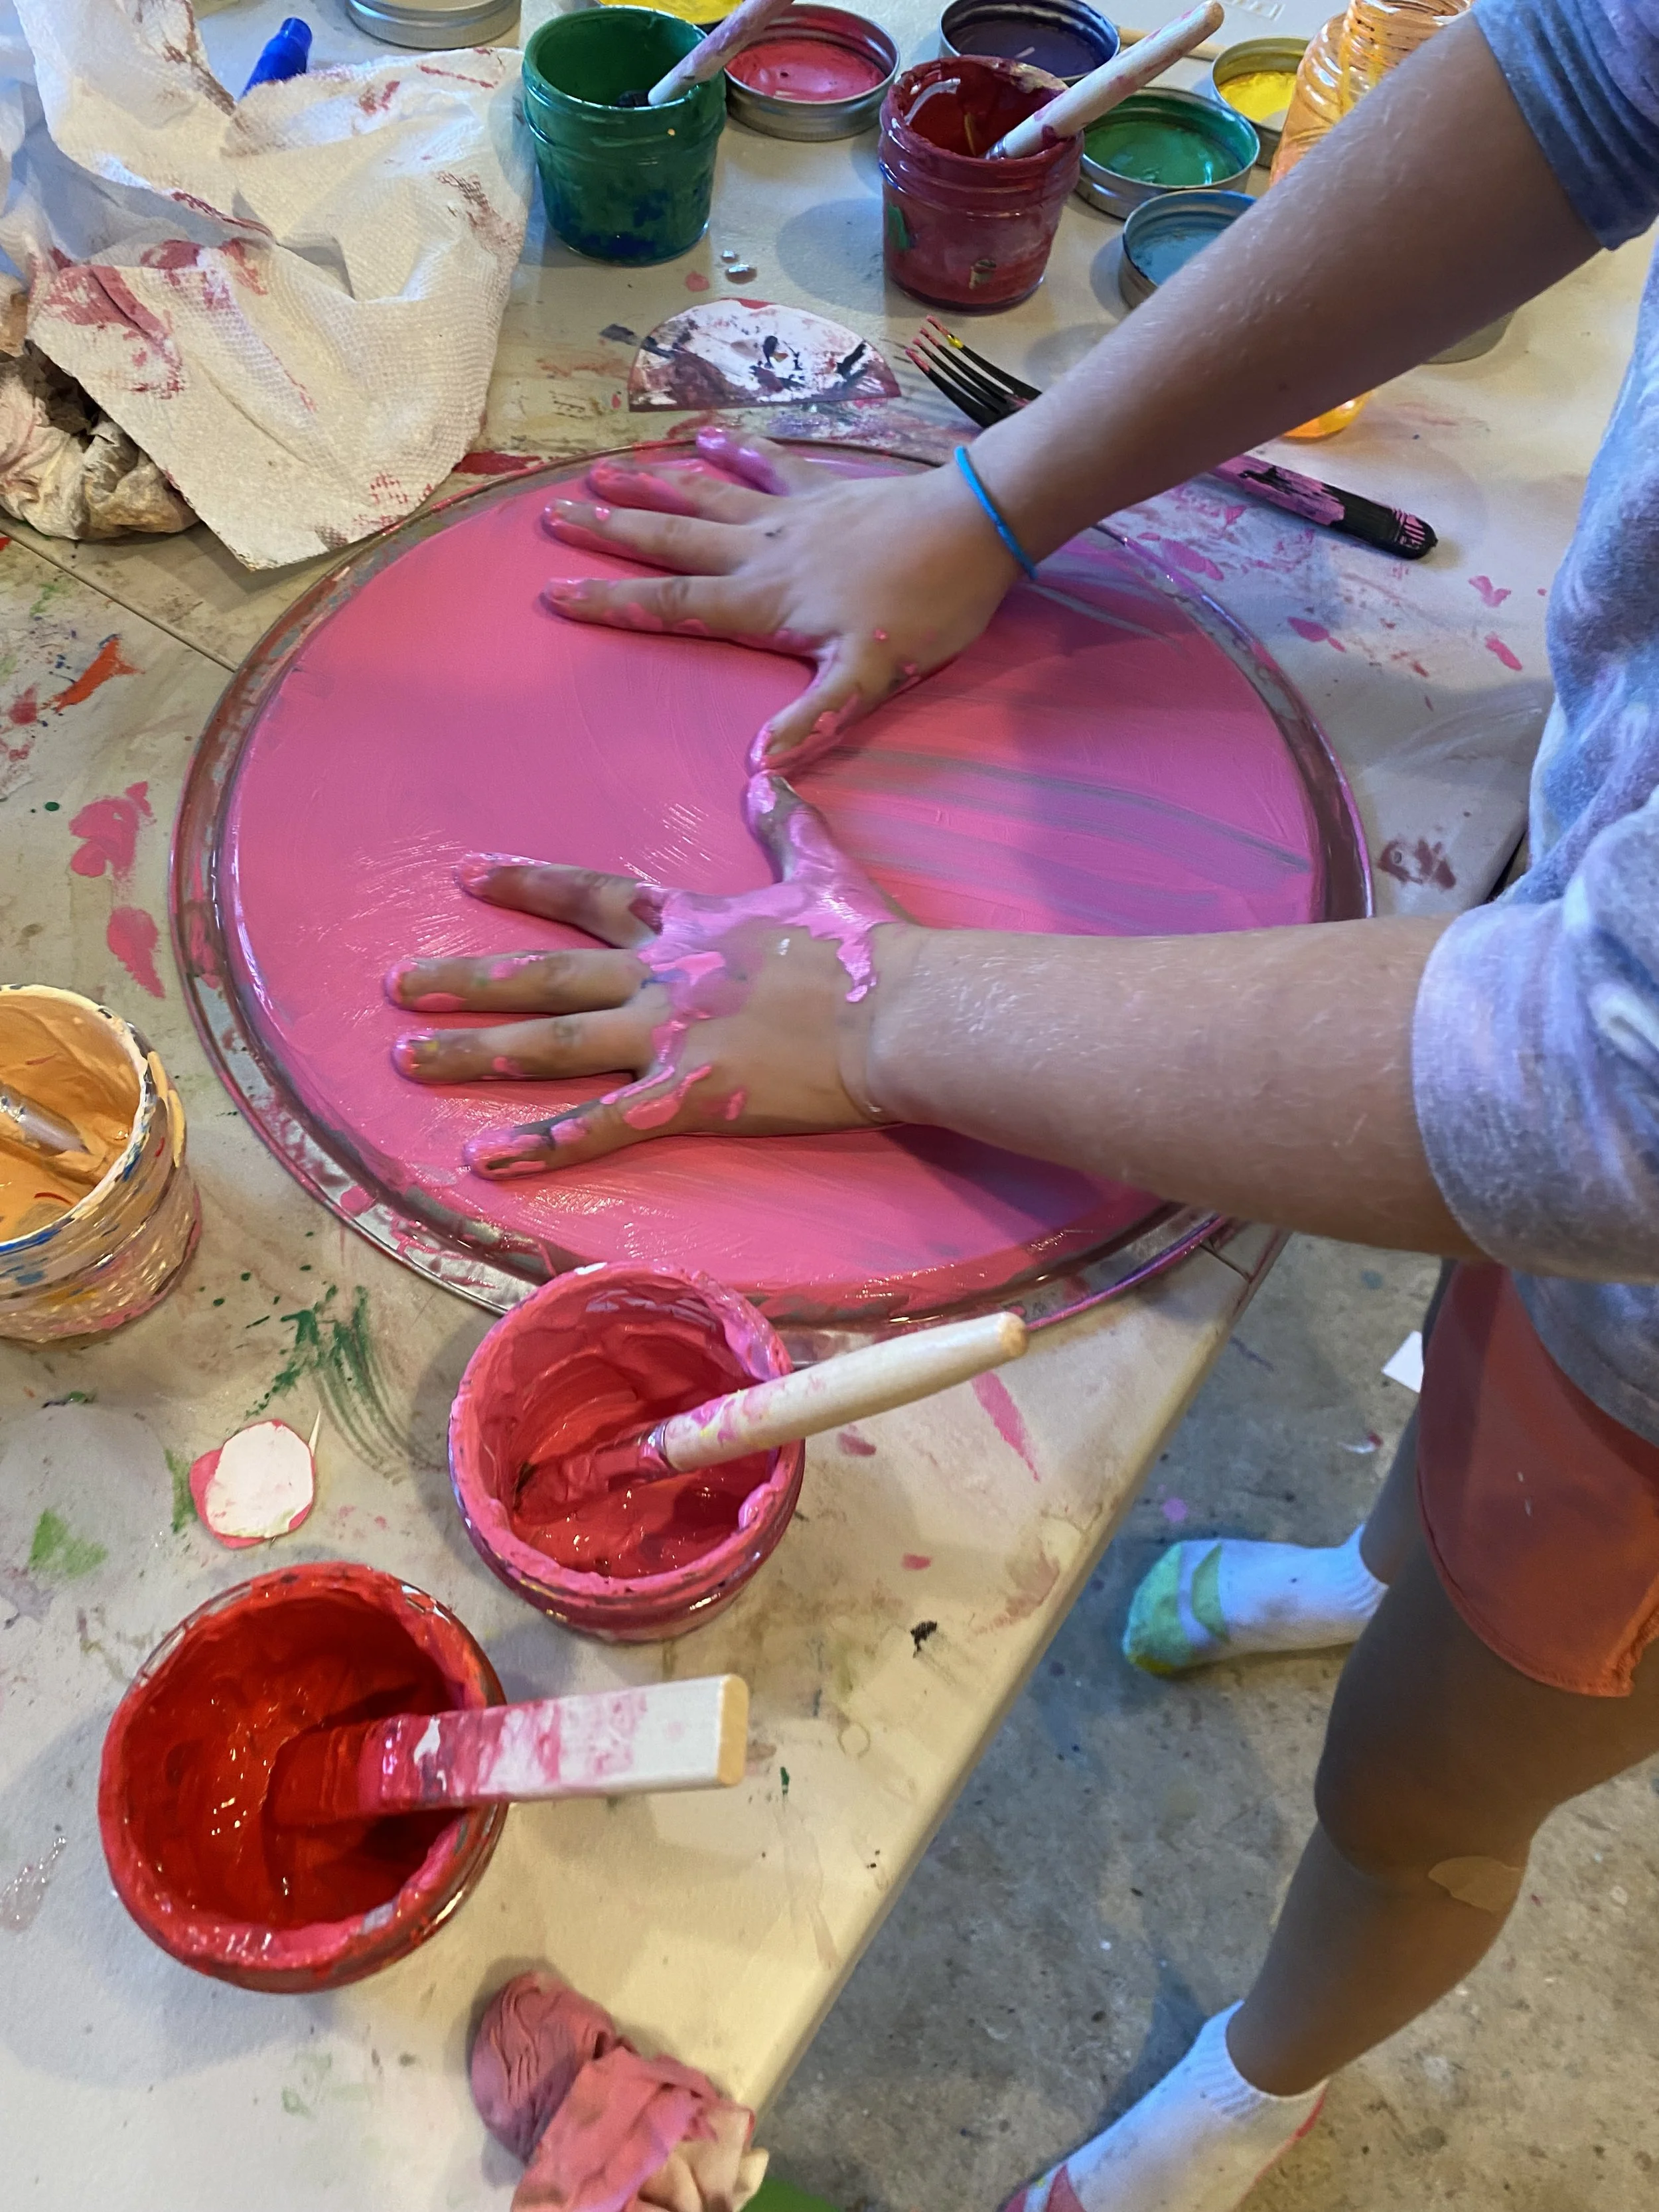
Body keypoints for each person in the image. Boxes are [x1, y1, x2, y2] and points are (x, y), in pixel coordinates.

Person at [388, 1, 1659, 2204]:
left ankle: (1253, 2086)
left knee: (1433, 1786)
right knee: (1482, 1372)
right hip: (1584, 1157)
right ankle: (1379, 1559)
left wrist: (879, 1011)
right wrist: (992, 490)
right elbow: (1583, 74)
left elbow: (1609, 1089)